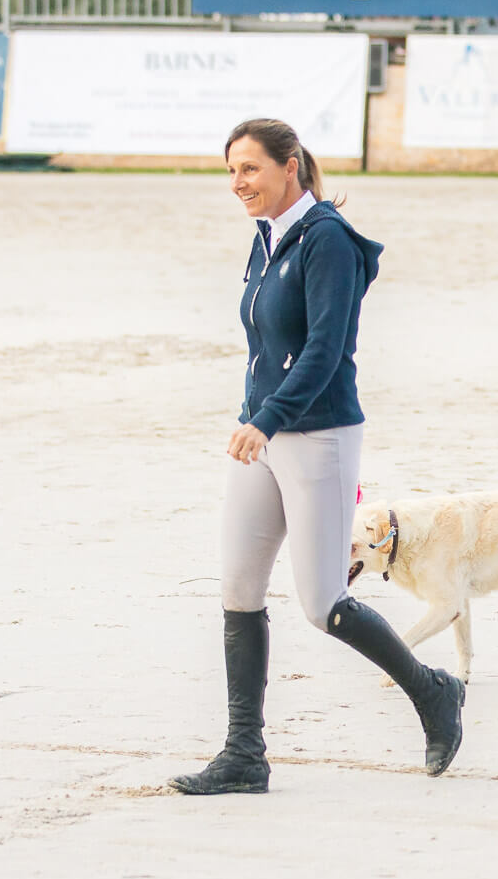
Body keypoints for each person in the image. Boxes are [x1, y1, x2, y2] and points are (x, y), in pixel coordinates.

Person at [170, 119, 465, 796]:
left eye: (250, 169)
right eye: (231, 172)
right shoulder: (267, 237)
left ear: (291, 165)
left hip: (319, 437)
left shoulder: (326, 239)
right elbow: (263, 346)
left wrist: (267, 418)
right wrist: (254, 414)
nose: (239, 184)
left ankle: (433, 693)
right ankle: (244, 753)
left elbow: (325, 349)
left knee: (323, 601)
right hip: (264, 437)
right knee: (238, 592)